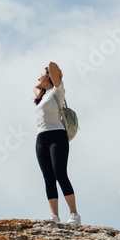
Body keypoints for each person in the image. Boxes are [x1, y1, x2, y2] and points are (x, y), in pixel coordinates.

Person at [33, 62, 80, 225]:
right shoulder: (42, 95)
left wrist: (54, 72)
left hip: (57, 135)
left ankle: (74, 214)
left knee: (60, 173)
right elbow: (35, 87)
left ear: (49, 77)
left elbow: (52, 65)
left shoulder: (57, 92)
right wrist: (43, 79)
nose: (38, 77)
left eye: (41, 74)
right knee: (48, 177)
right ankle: (54, 215)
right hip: (41, 138)